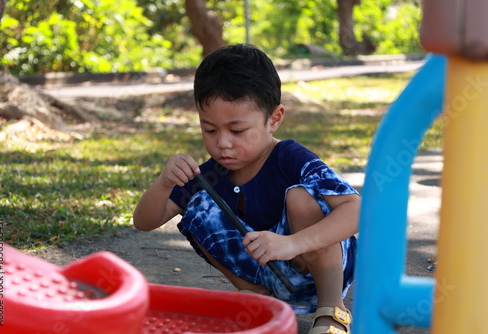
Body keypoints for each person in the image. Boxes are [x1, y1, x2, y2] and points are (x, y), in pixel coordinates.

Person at [133, 43, 359, 334]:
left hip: (322, 267)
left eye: (237, 131)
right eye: (210, 130)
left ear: (274, 119)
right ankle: (256, 295)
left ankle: (332, 310)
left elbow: (355, 208)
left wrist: (293, 244)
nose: (223, 143)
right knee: (199, 208)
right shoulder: (208, 175)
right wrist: (165, 182)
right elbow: (144, 222)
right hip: (267, 276)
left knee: (301, 197)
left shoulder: (290, 158)